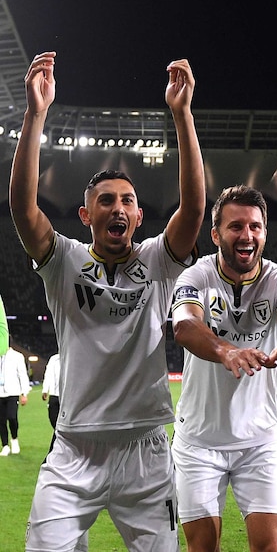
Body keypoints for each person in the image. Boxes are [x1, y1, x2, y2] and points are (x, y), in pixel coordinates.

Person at [11, 52, 205, 551]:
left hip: (146, 450)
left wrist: (182, 114)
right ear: (85, 213)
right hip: (74, 447)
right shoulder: (63, 261)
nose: (118, 207)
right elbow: (22, 208)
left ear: (139, 216)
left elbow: (195, 206)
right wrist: (36, 115)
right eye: (106, 200)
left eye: (127, 202)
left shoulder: (159, 260)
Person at [170, 185, 277, 552]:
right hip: (199, 441)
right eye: (236, 226)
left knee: (270, 548)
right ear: (216, 234)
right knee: (203, 548)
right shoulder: (196, 277)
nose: (247, 235)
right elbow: (184, 325)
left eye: (255, 226)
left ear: (264, 233)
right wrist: (225, 350)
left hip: (260, 440)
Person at [0, 345, 31, 456]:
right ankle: (5, 445)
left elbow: (22, 374)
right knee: (1, 421)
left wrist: (24, 393)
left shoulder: (17, 356)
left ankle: (14, 439)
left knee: (12, 417)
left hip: (13, 392)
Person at [41, 353, 60, 454]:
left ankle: (51, 453)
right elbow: (48, 374)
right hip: (54, 394)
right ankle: (59, 449)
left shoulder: (73, 357)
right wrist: (45, 390)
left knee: (60, 427)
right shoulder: (54, 359)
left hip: (67, 397)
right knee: (54, 421)